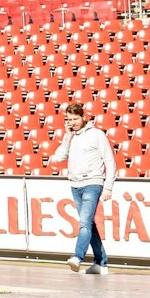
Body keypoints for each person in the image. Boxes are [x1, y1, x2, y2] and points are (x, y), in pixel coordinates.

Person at [50, 101, 116, 274]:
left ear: (83, 117)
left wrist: (108, 187)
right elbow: (58, 157)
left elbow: (110, 160)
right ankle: (101, 262)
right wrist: (67, 137)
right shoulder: (71, 136)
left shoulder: (96, 134)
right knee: (88, 224)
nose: (73, 123)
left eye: (75, 119)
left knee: (84, 222)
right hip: (75, 185)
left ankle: (77, 257)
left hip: (92, 183)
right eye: (69, 120)